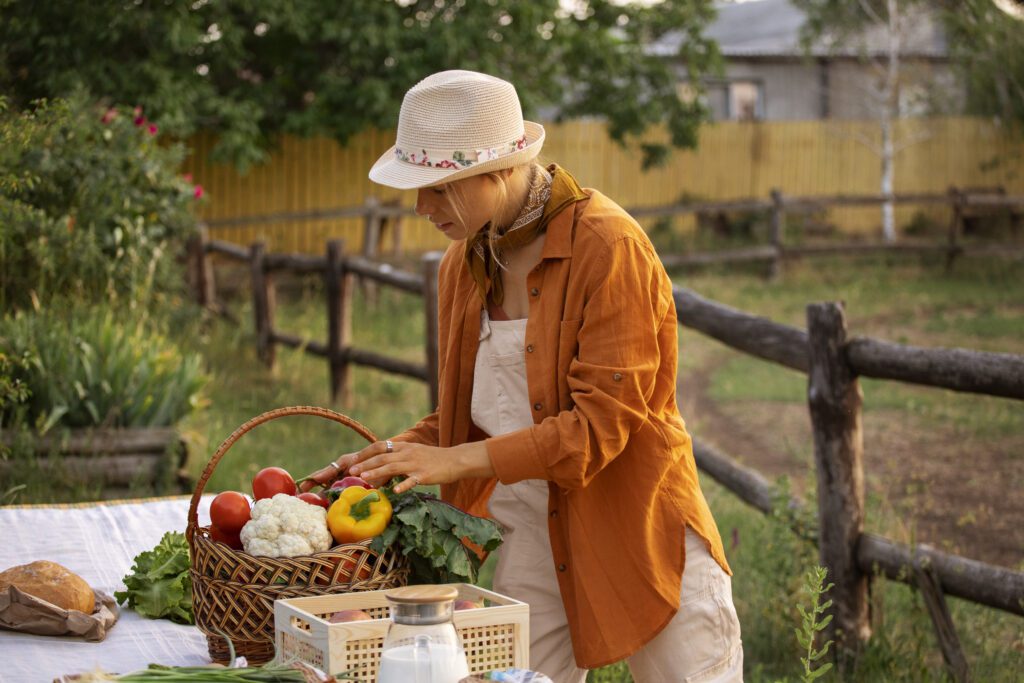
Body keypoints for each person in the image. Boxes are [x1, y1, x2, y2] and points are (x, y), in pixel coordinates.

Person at [301, 70, 743, 682]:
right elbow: (471, 416)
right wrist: (386, 457)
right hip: (530, 533)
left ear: (501, 169)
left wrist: (455, 463)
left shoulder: (609, 247)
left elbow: (596, 431)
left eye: (437, 187)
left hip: (638, 524)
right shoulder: (462, 263)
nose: (421, 207)